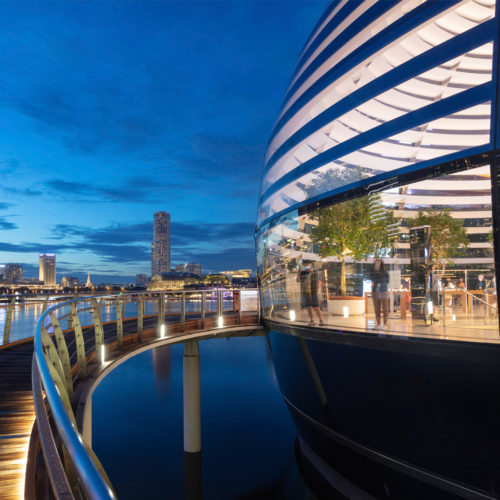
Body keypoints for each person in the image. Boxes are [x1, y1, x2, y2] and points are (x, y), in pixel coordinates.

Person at [297, 259, 324, 326]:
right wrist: (299, 272)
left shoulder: (314, 271)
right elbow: (297, 280)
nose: (305, 266)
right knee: (308, 307)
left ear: (310, 265)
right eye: (304, 265)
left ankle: (321, 320)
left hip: (313, 291)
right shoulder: (302, 272)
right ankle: (312, 320)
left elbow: (319, 281)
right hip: (305, 291)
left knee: (316, 306)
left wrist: (318, 289)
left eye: (307, 264)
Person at [371, 259, 389, 329]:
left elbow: (387, 281)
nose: (377, 264)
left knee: (385, 308)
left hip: (383, 290)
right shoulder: (373, 272)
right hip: (375, 290)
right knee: (377, 308)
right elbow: (372, 279)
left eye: (379, 263)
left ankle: (385, 324)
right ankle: (378, 324)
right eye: (376, 263)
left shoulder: (385, 272)